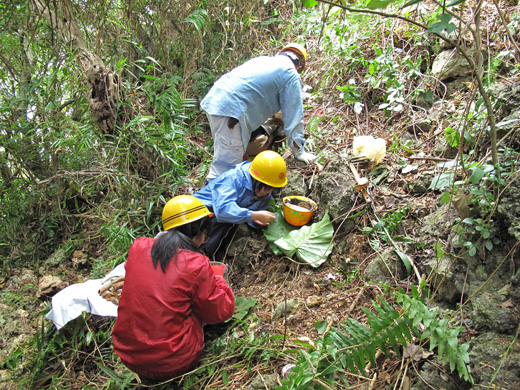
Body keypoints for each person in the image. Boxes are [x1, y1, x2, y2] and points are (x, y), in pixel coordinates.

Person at [112, 195, 235, 381]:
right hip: (173, 361)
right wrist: (219, 281)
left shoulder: (138, 246)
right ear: (199, 232)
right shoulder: (197, 264)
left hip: (127, 356)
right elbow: (218, 312)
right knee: (195, 305)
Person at [201, 42, 317, 181]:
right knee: (225, 172)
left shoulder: (263, 61)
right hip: (232, 111)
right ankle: (210, 200)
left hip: (216, 102)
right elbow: (294, 118)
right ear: (299, 66)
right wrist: (299, 152)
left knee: (225, 159)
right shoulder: (290, 74)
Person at [194, 150, 288, 258]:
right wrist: (252, 215)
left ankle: (204, 257)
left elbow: (251, 215)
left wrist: (256, 221)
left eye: (273, 189)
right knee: (223, 221)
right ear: (256, 180)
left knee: (231, 224)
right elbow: (222, 210)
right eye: (267, 188)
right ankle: (200, 255)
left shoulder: (264, 194)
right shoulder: (233, 178)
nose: (269, 192)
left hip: (216, 222)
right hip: (196, 215)